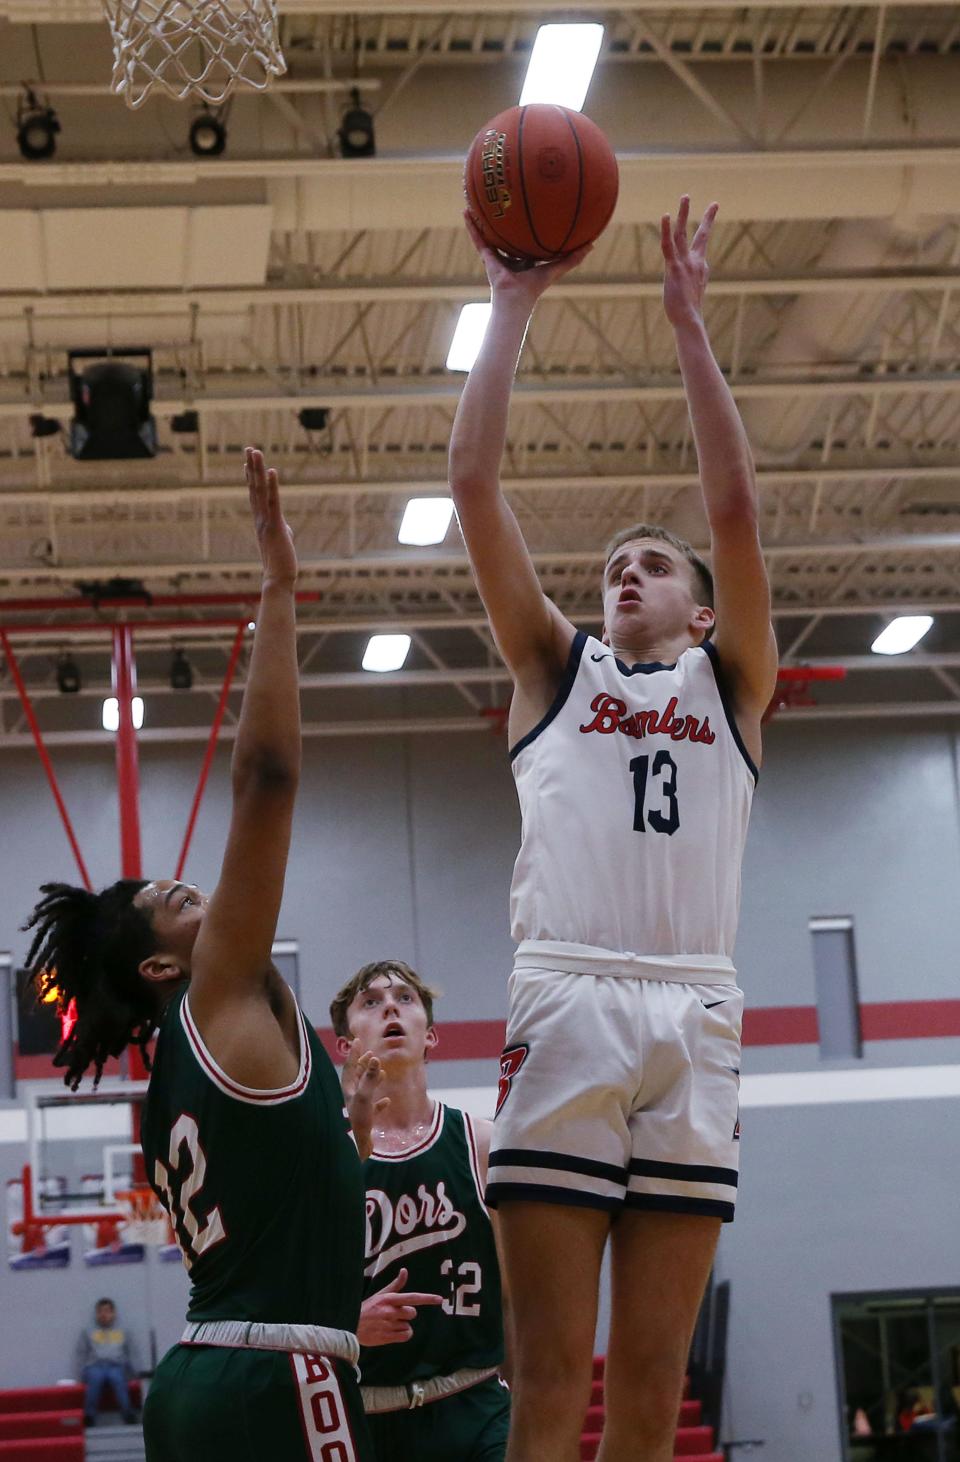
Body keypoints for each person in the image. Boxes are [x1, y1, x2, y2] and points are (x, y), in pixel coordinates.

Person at [448, 196, 778, 1462]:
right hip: (568, 999)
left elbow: (738, 512)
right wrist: (511, 303)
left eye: (654, 564)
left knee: (651, 1395)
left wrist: (691, 330)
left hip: (695, 1011)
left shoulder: (730, 683)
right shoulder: (554, 670)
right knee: (546, 1388)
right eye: (615, 565)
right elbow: (473, 485)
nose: (625, 574)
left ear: (700, 612)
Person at [23, 450, 384, 1462]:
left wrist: (346, 1124)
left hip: (205, 1376)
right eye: (166, 905)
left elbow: (285, 1200)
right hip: (280, 1374)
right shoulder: (213, 986)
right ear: (156, 968)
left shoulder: (177, 1082)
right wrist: (278, 588)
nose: (189, 889)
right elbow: (266, 777)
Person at [331, 959, 510, 1462]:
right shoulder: (327, 1159)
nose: (390, 1005)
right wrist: (345, 1325)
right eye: (371, 1001)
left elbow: (519, 1297)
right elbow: (285, 1300)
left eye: (405, 999)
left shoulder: (482, 1144)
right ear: (346, 1047)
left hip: (475, 1404)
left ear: (430, 1036)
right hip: (367, 1416)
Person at [76, 1297, 137, 1426]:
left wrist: (134, 1373)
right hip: (95, 1366)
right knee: (95, 1379)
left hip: (116, 1366)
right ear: (96, 1314)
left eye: (107, 1311)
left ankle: (128, 1413)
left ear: (113, 1313)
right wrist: (79, 1375)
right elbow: (81, 1354)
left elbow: (131, 1353)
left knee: (118, 1379)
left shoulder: (124, 1332)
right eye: (100, 1312)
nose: (104, 1315)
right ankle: (89, 1416)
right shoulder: (88, 1332)